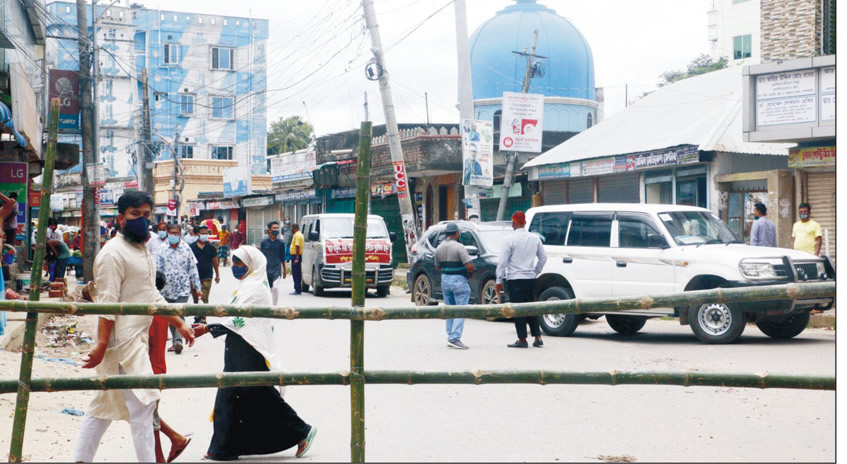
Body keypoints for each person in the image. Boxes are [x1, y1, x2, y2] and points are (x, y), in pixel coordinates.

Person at [72, 191, 195, 463]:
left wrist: (179, 323)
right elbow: (107, 302)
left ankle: (80, 459)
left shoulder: (141, 251)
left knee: (102, 407)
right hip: (122, 342)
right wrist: (101, 345)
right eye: (135, 214)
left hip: (135, 339)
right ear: (121, 218)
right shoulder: (112, 254)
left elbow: (151, 295)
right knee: (143, 404)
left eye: (147, 214)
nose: (142, 220)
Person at [192, 246, 317, 460]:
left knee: (260, 394)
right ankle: (223, 448)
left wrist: (208, 328)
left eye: (240, 263)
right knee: (229, 395)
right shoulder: (245, 286)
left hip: (250, 348)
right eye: (235, 262)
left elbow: (239, 320)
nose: (236, 267)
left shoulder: (257, 289)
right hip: (237, 347)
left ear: (252, 264)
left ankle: (302, 430)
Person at [149, 271, 192, 463]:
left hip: (149, 369)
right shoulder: (159, 311)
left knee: (150, 417)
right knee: (148, 414)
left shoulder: (151, 312)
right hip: (157, 366)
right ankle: (174, 439)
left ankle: (162, 454)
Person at [496, 211, 547, 348]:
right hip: (530, 279)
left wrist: (499, 280)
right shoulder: (535, 238)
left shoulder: (509, 239)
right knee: (532, 308)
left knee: (518, 309)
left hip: (515, 279)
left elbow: (503, 262)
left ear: (513, 223)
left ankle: (522, 339)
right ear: (524, 222)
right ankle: (538, 337)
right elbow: (543, 258)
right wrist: (535, 271)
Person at [156, 223, 202, 354]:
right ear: (167, 233)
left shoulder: (186, 249)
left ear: (180, 235)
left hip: (183, 289)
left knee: (179, 313)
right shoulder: (161, 249)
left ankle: (178, 341)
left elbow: (193, 269)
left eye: (176, 234)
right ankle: (175, 341)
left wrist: (197, 287)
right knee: (170, 316)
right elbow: (157, 271)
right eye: (171, 233)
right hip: (166, 289)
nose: (174, 236)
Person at [434, 222, 475, 350]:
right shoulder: (459, 247)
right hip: (458, 280)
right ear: (457, 233)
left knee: (449, 309)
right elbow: (469, 265)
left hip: (445, 280)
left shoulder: (439, 248)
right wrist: (471, 271)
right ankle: (455, 338)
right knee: (460, 309)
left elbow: (437, 266)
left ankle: (450, 335)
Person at [190, 225, 219, 322]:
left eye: (206, 234)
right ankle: (197, 315)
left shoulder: (211, 247)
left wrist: (217, 275)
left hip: (207, 276)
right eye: (202, 233)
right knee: (195, 298)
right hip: (194, 277)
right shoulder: (191, 247)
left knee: (204, 297)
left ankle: (203, 318)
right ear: (197, 234)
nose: (204, 235)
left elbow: (215, 262)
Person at [260, 221, 287, 302]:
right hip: (266, 268)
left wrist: (284, 270)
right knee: (268, 288)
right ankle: (269, 304)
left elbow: (283, 257)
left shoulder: (281, 243)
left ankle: (274, 307)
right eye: (274, 228)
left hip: (276, 268)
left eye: (277, 228)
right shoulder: (263, 242)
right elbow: (261, 257)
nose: (276, 230)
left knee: (275, 287)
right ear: (269, 230)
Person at [289, 223, 304, 296]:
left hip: (296, 256)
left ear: (294, 228)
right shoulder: (298, 234)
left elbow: (297, 246)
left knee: (296, 273)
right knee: (297, 273)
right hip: (295, 256)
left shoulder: (297, 235)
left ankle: (297, 289)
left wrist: (297, 258)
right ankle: (297, 289)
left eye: (292, 229)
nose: (291, 230)